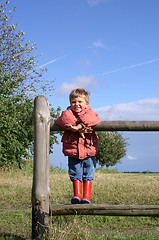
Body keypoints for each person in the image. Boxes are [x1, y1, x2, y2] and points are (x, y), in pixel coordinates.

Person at [56, 88, 101, 204]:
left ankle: (86, 196)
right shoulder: (67, 113)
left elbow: (93, 118)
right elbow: (63, 119)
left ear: (87, 104)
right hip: (73, 150)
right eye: (73, 102)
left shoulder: (90, 113)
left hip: (88, 149)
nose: (77, 104)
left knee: (88, 173)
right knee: (75, 172)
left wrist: (78, 127)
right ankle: (77, 195)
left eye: (80, 102)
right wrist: (76, 124)